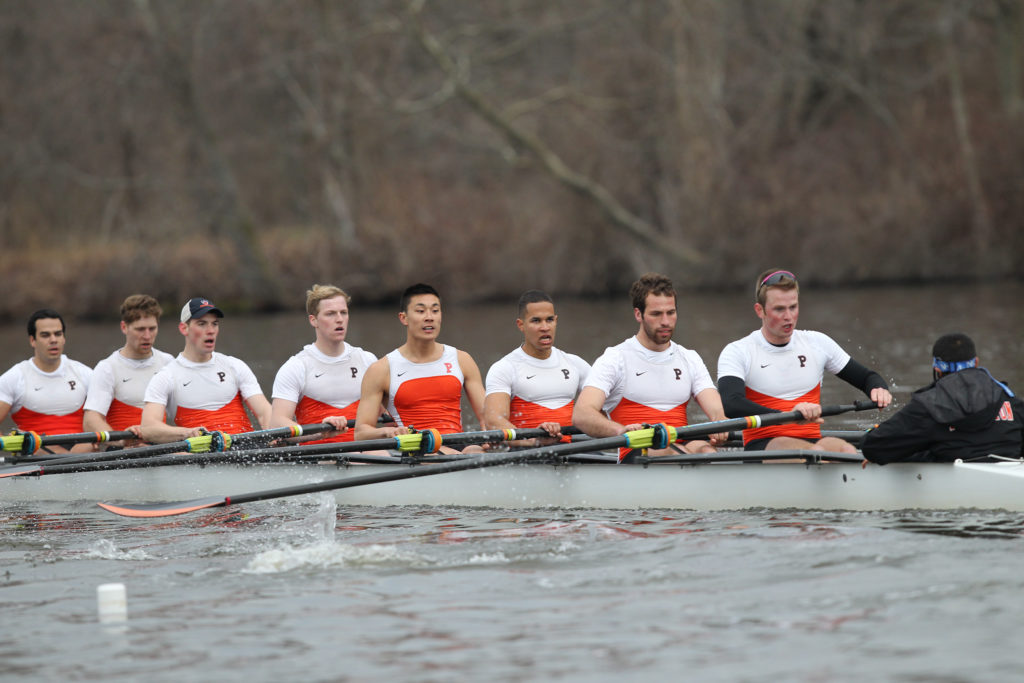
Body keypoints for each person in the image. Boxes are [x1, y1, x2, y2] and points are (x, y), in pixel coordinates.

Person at [717, 269, 892, 453]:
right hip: (765, 445)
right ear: (760, 310)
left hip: (813, 443)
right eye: (779, 309)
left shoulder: (817, 343)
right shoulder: (738, 351)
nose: (788, 316)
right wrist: (788, 416)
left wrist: (878, 389)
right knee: (817, 452)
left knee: (845, 450)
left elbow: (867, 378)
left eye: (793, 307)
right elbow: (731, 404)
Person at [572, 273, 727, 456]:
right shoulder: (615, 359)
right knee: (670, 452)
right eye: (656, 314)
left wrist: (720, 422)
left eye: (671, 313)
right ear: (639, 314)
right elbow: (581, 414)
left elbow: (716, 409)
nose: (665, 322)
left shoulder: (689, 358)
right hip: (638, 451)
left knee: (708, 451)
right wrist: (620, 431)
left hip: (682, 448)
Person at [353, 283, 486, 451]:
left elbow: (486, 418)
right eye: (420, 311)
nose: (429, 317)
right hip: (414, 450)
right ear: (404, 318)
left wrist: (491, 437)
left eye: (435, 311)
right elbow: (361, 433)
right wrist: (389, 431)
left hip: (458, 447)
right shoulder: (381, 370)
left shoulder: (462, 359)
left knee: (475, 450)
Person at [863, 333, 1023, 463]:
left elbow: (873, 448)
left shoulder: (928, 405)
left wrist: (923, 455)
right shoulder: (1009, 399)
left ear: (937, 369)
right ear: (976, 362)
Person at [140, 297, 272, 443]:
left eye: (214, 324)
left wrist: (275, 436)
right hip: (202, 458)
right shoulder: (167, 377)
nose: (210, 331)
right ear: (184, 328)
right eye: (202, 324)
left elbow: (264, 413)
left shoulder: (234, 365)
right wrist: (186, 433)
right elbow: (148, 428)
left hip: (248, 452)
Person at [270, 284, 377, 443]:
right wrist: (320, 432)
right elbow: (276, 423)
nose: (339, 319)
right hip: (319, 456)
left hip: (365, 451)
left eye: (344, 313)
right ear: (314, 320)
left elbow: (388, 414)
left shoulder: (367, 360)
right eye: (330, 314)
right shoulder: (297, 367)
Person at [483, 290, 590, 446]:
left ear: (556, 321)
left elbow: (604, 408)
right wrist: (535, 442)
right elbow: (494, 422)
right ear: (521, 325)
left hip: (572, 449)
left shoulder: (575, 363)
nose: (545, 327)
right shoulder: (505, 368)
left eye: (549, 320)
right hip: (527, 453)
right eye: (536, 321)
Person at [0, 309, 93, 451]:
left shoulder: (84, 373)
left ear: (64, 338)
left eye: (58, 334)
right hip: (36, 455)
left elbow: (108, 417)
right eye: (45, 335)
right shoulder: (14, 378)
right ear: (33, 340)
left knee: (88, 446)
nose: (53, 340)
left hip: (80, 452)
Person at [83, 294, 174, 437]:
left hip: (158, 444)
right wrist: (119, 441)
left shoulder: (167, 362)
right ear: (124, 327)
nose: (147, 336)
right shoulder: (108, 368)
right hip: (123, 450)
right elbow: (90, 420)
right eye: (140, 329)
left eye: (152, 328)